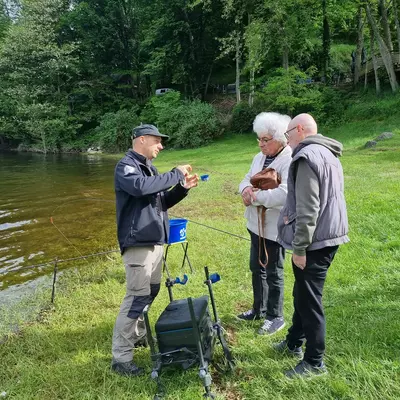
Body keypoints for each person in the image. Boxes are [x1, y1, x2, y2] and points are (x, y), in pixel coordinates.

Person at [111, 124, 199, 376]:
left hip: (155, 242)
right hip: (138, 244)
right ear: (141, 140)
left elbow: (162, 202)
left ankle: (137, 334)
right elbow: (140, 188)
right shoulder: (126, 167)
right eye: (157, 141)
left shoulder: (150, 169)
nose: (161, 146)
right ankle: (121, 357)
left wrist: (182, 188)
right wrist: (176, 173)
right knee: (136, 298)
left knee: (152, 291)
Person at [275, 113, 349, 378]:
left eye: (288, 134)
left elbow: (308, 209)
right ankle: (294, 341)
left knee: (309, 300)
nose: (287, 141)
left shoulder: (306, 157)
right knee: (302, 293)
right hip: (329, 236)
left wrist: (300, 248)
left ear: (300, 130)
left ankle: (314, 362)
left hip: (315, 241)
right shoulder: (327, 152)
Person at [237, 112, 292, 335]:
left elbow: (286, 194)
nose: (261, 144)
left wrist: (256, 197)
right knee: (256, 267)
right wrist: (245, 189)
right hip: (255, 224)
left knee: (273, 271)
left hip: (275, 227)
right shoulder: (258, 158)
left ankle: (275, 316)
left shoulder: (289, 159)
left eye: (265, 140)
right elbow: (245, 178)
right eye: (259, 139)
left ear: (279, 138)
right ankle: (259, 309)